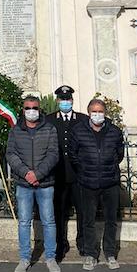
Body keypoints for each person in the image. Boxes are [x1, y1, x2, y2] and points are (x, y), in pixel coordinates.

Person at [68, 98, 125, 271]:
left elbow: (119, 154)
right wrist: (85, 169)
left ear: (105, 113)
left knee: (110, 220)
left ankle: (109, 253)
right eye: (94, 111)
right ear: (89, 112)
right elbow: (73, 154)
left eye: (100, 111)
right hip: (87, 182)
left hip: (110, 182)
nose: (97, 115)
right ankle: (91, 254)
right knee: (88, 220)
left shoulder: (114, 131)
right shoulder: (78, 131)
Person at [6, 95, 60, 272]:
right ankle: (24, 258)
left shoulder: (49, 129)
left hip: (45, 183)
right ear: (23, 110)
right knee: (24, 222)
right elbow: (11, 154)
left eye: (34, 108)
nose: (31, 111)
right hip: (24, 184)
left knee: (48, 221)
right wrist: (26, 173)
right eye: (28, 108)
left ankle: (51, 257)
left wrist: (38, 174)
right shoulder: (15, 130)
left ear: (39, 109)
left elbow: (53, 154)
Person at [46, 85, 88, 261]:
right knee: (59, 212)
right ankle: (60, 245)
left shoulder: (82, 119)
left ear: (72, 100)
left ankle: (83, 244)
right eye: (62, 99)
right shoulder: (49, 120)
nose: (65, 102)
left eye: (68, 99)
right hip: (58, 174)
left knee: (83, 210)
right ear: (57, 101)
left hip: (78, 174)